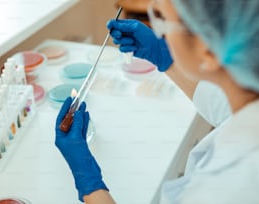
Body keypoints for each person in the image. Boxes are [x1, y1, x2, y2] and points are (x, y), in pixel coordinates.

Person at [55, 0, 259, 203]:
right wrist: (164, 57)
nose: (160, 33)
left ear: (207, 48)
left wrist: (89, 183)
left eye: (162, 18)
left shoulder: (222, 189)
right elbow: (225, 110)